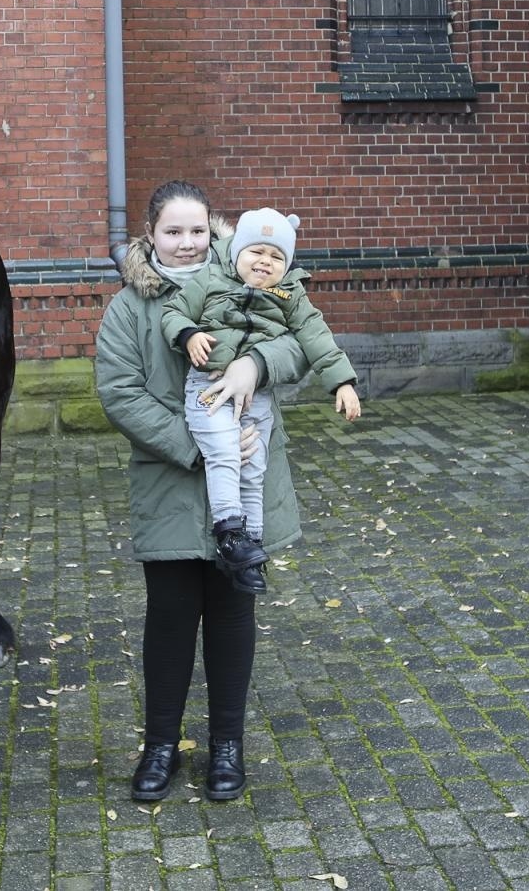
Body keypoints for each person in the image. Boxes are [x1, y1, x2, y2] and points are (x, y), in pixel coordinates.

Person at [95, 182, 337, 804]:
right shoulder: (130, 307)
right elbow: (120, 392)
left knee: (233, 616)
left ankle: (227, 745)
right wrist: (201, 446)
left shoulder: (260, 280)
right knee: (170, 620)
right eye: (172, 232)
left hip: (251, 476)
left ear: (215, 232)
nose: (185, 243)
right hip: (171, 482)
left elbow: (299, 342)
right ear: (150, 234)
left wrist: (253, 365)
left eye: (197, 231)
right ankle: (160, 746)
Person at [161, 208, 362, 595]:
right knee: (224, 453)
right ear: (236, 251)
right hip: (209, 386)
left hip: (258, 394)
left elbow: (314, 334)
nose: (265, 263)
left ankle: (249, 543)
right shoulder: (212, 277)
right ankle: (228, 531)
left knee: (254, 465)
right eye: (256, 252)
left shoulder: (289, 292)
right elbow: (174, 311)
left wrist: (342, 383)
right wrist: (188, 335)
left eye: (276, 257)